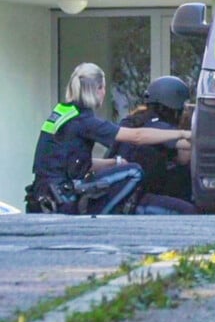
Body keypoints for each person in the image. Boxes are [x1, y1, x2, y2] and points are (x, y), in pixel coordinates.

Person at [25, 63, 193, 215]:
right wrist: (183, 133)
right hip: (63, 199)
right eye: (103, 88)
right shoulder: (84, 121)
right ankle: (102, 218)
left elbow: (73, 162)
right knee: (133, 172)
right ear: (98, 89)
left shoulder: (62, 113)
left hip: (43, 197)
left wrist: (114, 163)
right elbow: (137, 136)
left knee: (125, 170)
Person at [107, 75, 196, 211]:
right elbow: (186, 152)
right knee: (189, 210)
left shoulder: (134, 120)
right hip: (132, 200)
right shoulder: (157, 125)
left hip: (117, 194)